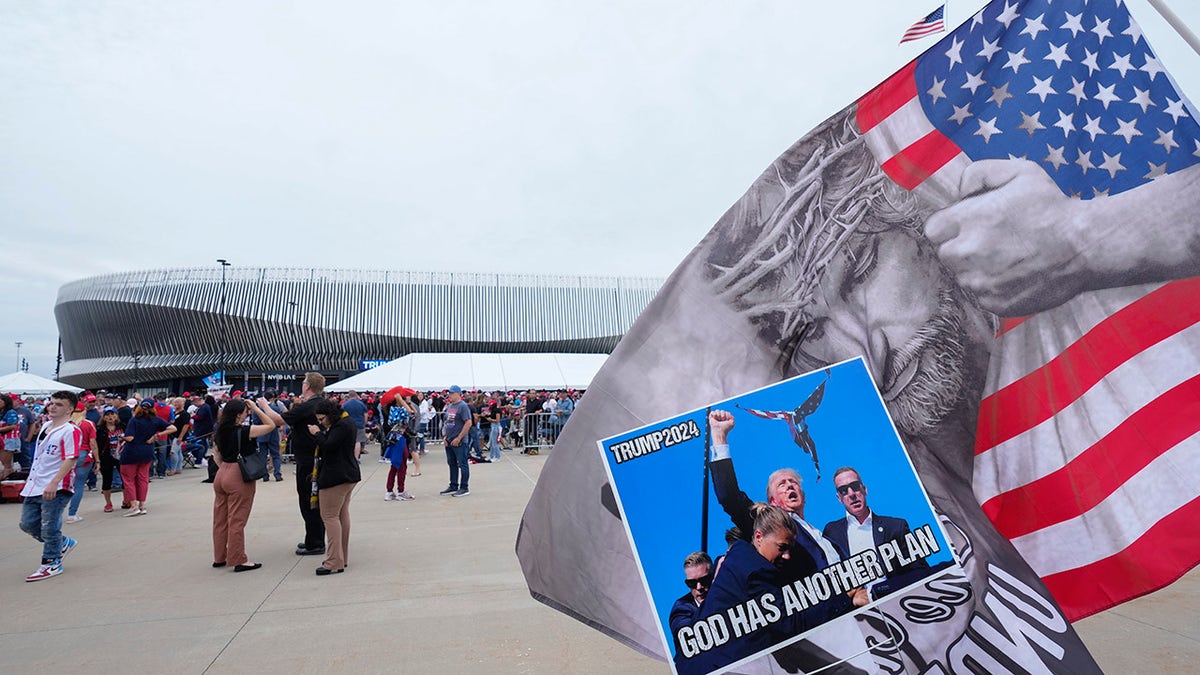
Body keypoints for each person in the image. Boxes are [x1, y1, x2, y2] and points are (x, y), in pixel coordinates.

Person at [707, 409, 863, 615]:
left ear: (804, 496)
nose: (790, 486)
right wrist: (719, 436)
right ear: (772, 501)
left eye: (794, 483)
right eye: (782, 484)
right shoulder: (771, 526)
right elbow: (729, 497)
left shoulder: (825, 536)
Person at [680, 504, 812, 675]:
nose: (787, 556)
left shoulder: (739, 556)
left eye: (789, 549)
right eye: (782, 548)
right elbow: (788, 623)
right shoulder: (758, 572)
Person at [821, 466, 930, 600]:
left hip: (898, 602)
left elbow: (921, 571)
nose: (851, 494)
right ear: (839, 498)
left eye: (855, 486)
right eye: (844, 490)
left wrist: (877, 592)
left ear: (864, 489)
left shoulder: (896, 527)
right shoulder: (832, 532)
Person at [211, 397, 283, 572]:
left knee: (220, 519)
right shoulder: (244, 431)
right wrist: (257, 409)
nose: (247, 414)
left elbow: (216, 456)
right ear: (238, 415)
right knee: (237, 519)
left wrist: (225, 469)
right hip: (238, 474)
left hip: (222, 473)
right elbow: (271, 425)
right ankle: (238, 559)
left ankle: (220, 556)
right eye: (245, 412)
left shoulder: (219, 430)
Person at [18, 390, 81, 582]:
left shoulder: (71, 430)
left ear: (70, 409)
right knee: (27, 524)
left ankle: (51, 561)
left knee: (49, 526)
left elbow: (71, 457)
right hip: (35, 484)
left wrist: (54, 482)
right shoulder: (46, 425)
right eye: (52, 403)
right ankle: (62, 543)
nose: (52, 406)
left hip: (57, 485)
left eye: (59, 404)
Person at [308, 398, 360, 575]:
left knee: (329, 517)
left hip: (336, 476)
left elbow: (328, 446)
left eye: (322, 419)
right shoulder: (345, 422)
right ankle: (341, 557)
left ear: (330, 415)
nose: (320, 423)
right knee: (341, 515)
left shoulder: (342, 426)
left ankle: (333, 560)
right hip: (347, 475)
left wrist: (317, 433)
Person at [282, 373, 326, 556]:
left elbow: (281, 419)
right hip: (313, 457)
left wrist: (261, 407)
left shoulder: (307, 406)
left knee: (308, 500)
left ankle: (315, 542)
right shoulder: (318, 404)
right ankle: (313, 538)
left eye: (303, 382)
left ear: (307, 387)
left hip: (308, 460)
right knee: (311, 500)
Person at [119, 400, 176, 516]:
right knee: (143, 479)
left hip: (131, 452)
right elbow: (173, 428)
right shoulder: (156, 420)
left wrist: (121, 437)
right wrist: (157, 435)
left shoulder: (134, 420)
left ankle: (133, 505)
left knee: (128, 479)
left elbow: (130, 437)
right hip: (147, 451)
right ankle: (142, 505)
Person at [669, 551, 712, 668]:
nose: (699, 587)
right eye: (692, 583)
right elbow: (688, 635)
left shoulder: (728, 597)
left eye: (704, 580)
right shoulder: (681, 608)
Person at [64, 403, 98, 523]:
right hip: (83, 454)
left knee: (64, 485)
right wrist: (97, 460)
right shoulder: (88, 424)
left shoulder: (65, 424)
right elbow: (93, 443)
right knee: (78, 485)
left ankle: (54, 513)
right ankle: (72, 514)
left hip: (67, 455)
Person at [439, 385, 472, 497]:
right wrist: (444, 436)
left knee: (462, 463)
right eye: (449, 393)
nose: (450, 395)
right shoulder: (449, 406)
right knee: (451, 463)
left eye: (452, 393)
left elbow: (468, 422)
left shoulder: (463, 406)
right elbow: (446, 422)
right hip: (449, 440)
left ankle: (464, 487)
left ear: (458, 393)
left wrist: (459, 437)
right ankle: (453, 485)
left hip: (459, 441)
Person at [95, 407, 125, 512]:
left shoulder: (122, 426)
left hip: (121, 456)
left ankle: (126, 500)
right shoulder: (100, 429)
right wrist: (97, 459)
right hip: (106, 456)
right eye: (107, 415)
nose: (110, 417)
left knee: (125, 479)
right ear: (103, 417)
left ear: (116, 416)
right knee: (107, 480)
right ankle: (108, 503)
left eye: (112, 414)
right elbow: (96, 445)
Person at [254, 390, 284, 482]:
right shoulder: (275, 408)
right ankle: (277, 474)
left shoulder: (258, 410)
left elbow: (255, 422)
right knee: (275, 455)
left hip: (262, 433)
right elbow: (278, 422)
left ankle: (265, 475)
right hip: (273, 433)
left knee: (262, 456)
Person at [340, 390, 368, 460]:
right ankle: (356, 458)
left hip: (348, 425)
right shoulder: (361, 404)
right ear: (356, 396)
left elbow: (341, 415)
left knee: (348, 441)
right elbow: (365, 415)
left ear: (349, 396)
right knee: (357, 441)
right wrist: (364, 423)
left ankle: (349, 457)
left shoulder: (345, 405)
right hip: (359, 424)